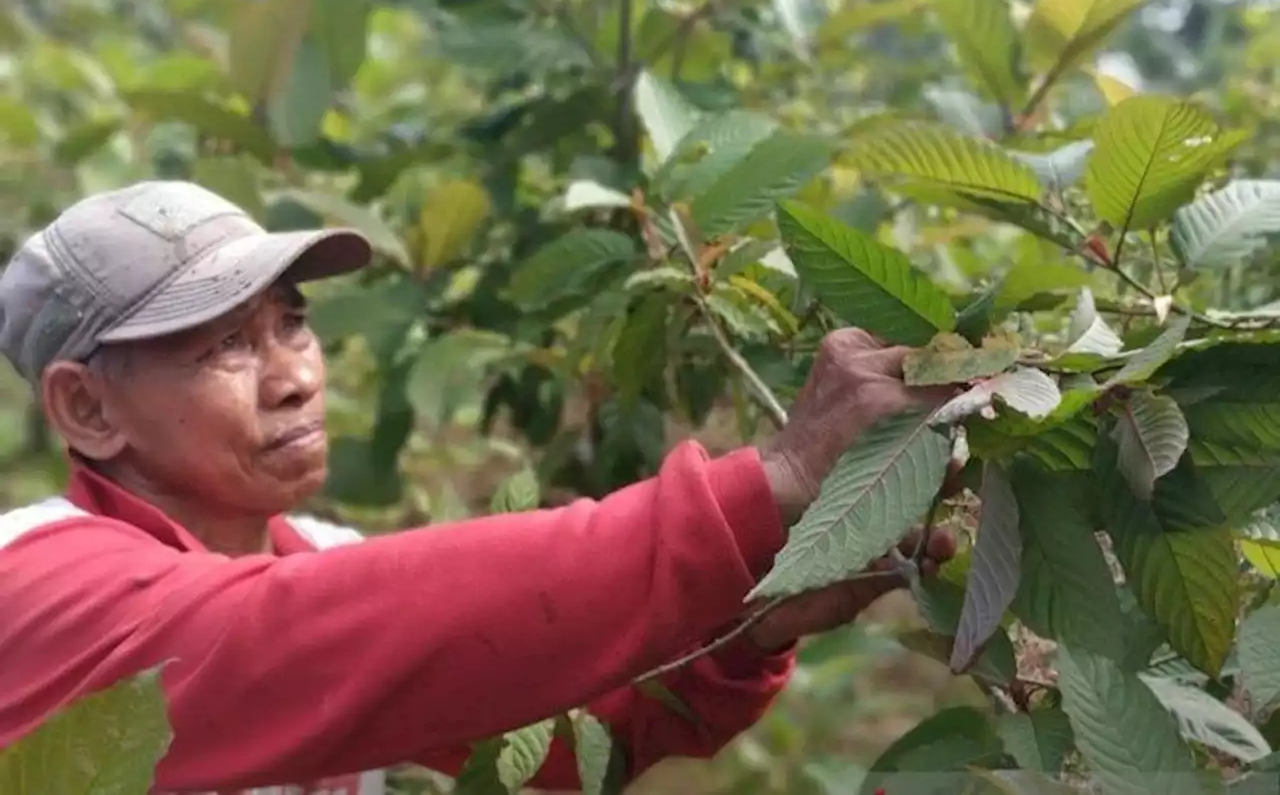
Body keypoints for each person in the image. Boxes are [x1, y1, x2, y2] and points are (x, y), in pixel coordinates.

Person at [0, 181, 956, 795]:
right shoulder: (30, 581)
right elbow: (294, 635)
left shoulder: (326, 558)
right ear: (87, 410)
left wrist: (760, 606)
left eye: (290, 323)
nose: (292, 373)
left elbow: (557, 749)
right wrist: (768, 487)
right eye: (222, 345)